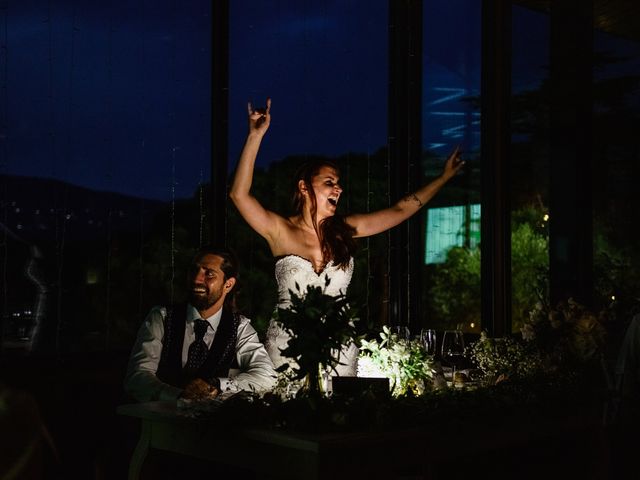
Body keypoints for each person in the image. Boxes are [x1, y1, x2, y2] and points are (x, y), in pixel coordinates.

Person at [229, 98, 464, 375]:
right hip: (286, 347)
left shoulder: (346, 229)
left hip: (338, 347)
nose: (338, 188)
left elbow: (401, 209)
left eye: (338, 184)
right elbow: (239, 195)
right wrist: (255, 136)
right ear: (304, 187)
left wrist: (443, 178)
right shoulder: (279, 230)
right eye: (329, 182)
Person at [124, 245, 276, 402]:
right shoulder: (161, 317)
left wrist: (218, 385)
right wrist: (179, 396)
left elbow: (267, 375)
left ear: (228, 285)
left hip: (212, 423)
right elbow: (137, 377)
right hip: (160, 419)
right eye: (194, 271)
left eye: (209, 274)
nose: (196, 279)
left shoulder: (239, 327)